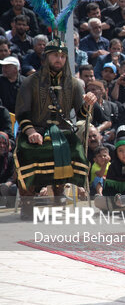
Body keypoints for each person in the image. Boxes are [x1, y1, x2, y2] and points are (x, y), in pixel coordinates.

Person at [15, 38, 97, 219]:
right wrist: (31, 132)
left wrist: (88, 104)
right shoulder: (30, 82)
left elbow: (81, 115)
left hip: (63, 132)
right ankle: (27, 201)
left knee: (74, 151)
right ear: (46, 57)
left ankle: (59, 194)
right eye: (54, 55)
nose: (59, 59)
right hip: (35, 130)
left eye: (62, 56)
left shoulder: (74, 84)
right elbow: (21, 114)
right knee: (27, 153)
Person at [94, 137, 125, 211]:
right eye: (120, 151)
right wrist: (116, 197)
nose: (124, 154)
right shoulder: (113, 167)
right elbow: (108, 189)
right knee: (98, 201)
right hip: (119, 200)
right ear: (116, 153)